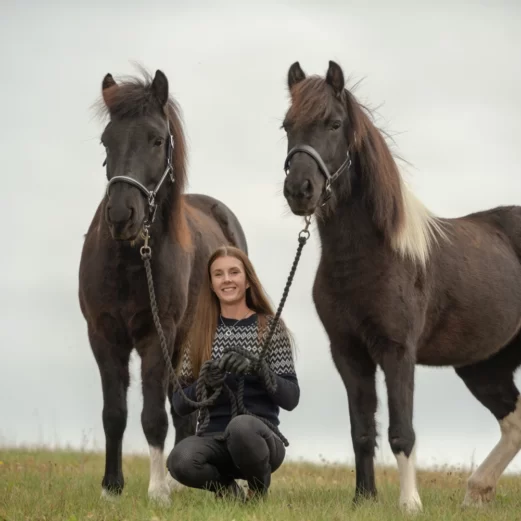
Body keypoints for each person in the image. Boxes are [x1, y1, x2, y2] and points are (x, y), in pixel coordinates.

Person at [166, 245, 300, 501]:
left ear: (248, 280)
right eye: (218, 274)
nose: (226, 279)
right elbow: (179, 403)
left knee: (240, 428)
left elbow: (291, 398)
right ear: (211, 284)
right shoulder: (197, 333)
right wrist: (203, 384)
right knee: (179, 461)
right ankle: (227, 492)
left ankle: (258, 492)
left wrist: (261, 371)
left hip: (260, 438)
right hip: (212, 439)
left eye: (234, 272)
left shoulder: (270, 328)